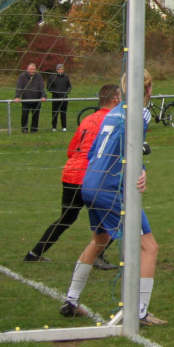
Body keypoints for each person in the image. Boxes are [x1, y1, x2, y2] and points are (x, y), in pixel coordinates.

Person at [59, 70, 166, 326]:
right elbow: (132, 147)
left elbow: (95, 151)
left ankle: (71, 301)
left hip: (90, 182)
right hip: (110, 187)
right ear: (148, 90)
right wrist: (141, 171)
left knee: (99, 239)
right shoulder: (140, 113)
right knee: (149, 247)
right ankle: (140, 312)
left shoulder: (112, 113)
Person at [24, 85, 121, 267]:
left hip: (71, 174)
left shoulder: (87, 119)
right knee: (117, 216)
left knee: (65, 219)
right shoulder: (112, 120)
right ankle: (97, 256)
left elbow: (71, 149)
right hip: (91, 176)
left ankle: (34, 253)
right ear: (115, 99)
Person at [14, 62, 46, 133]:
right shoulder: (22, 76)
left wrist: (43, 96)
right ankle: (24, 129)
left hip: (37, 100)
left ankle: (34, 129)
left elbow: (41, 87)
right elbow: (19, 87)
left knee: (36, 115)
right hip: (26, 99)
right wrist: (17, 96)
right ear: (27, 69)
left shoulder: (39, 76)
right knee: (25, 115)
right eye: (31, 69)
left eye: (34, 69)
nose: (32, 71)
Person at [47, 64, 72, 132]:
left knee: (63, 113)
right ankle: (54, 127)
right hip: (55, 98)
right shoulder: (52, 77)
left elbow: (69, 86)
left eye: (62, 69)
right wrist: (56, 92)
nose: (61, 71)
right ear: (57, 70)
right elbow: (49, 87)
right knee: (55, 113)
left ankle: (64, 127)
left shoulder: (66, 77)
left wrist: (66, 92)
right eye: (60, 69)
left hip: (64, 98)